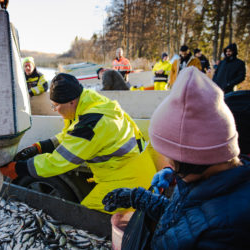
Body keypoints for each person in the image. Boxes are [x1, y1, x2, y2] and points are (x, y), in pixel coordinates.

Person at [102, 67, 250, 249]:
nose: (167, 163)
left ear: (190, 160)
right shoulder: (201, 180)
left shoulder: (225, 233)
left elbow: (194, 225)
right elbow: (184, 220)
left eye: (168, 155)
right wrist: (140, 198)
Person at [0, 73, 155, 214]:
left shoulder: (91, 124)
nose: (54, 110)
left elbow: (59, 162)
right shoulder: (87, 100)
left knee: (86, 216)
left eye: (56, 106)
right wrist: (41, 146)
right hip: (133, 168)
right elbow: (71, 134)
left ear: (71, 102)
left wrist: (20, 169)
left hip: (130, 180)